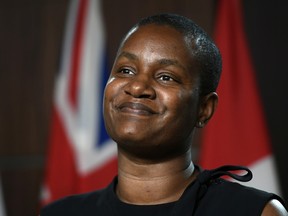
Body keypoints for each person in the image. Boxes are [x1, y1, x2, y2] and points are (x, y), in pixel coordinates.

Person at [41, 13, 287, 216]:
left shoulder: (255, 213)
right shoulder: (59, 214)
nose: (137, 87)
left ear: (205, 109)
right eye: (125, 70)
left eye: (165, 77)